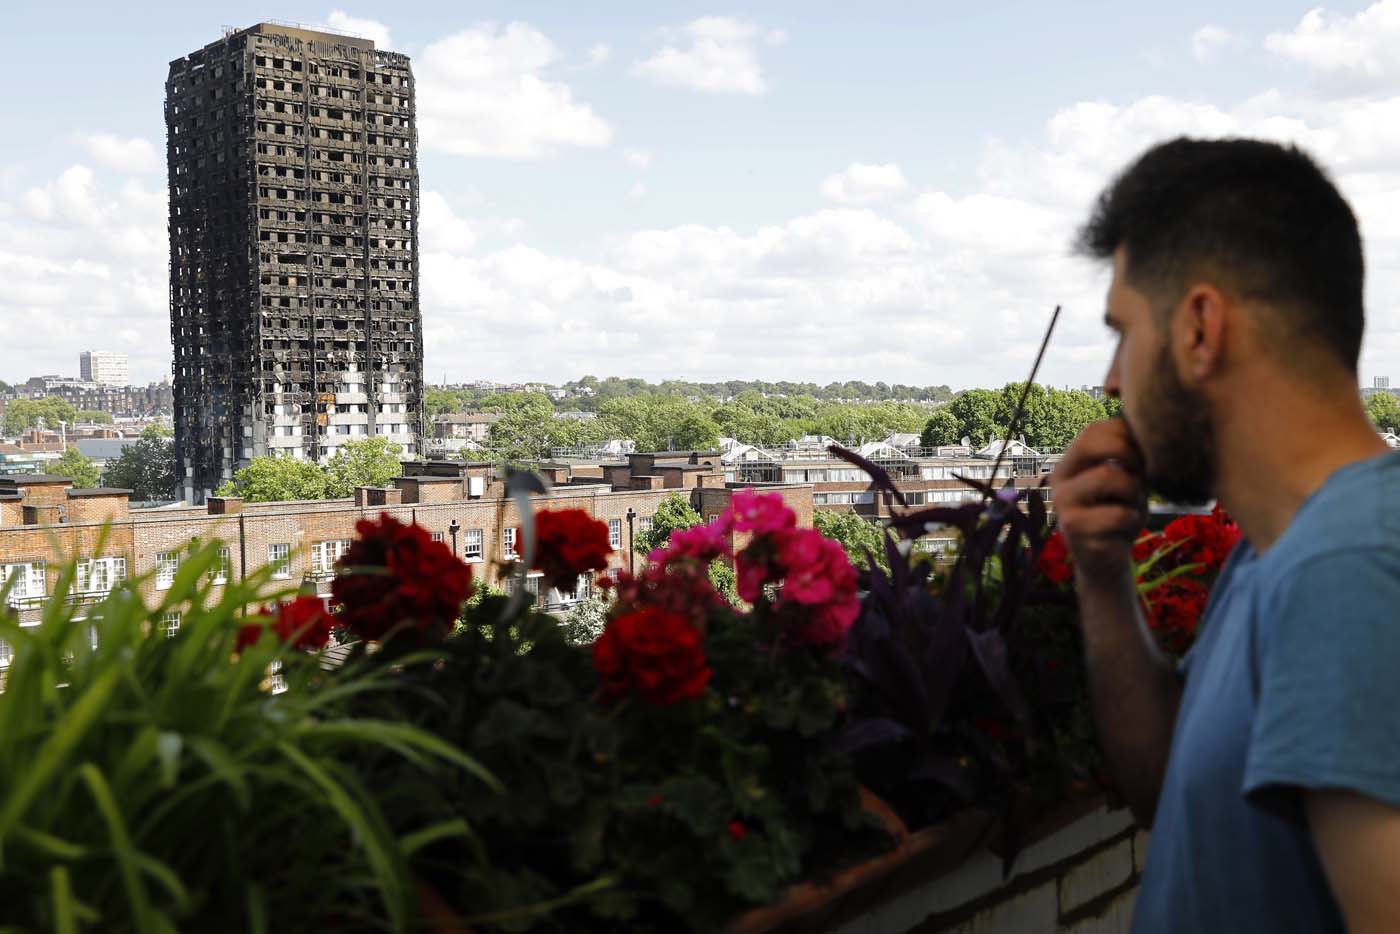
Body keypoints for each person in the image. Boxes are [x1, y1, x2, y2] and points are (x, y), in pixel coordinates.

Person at [1051, 137, 1400, 933]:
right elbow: (1175, 790)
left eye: (1124, 331)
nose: (1111, 380)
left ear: (1201, 328)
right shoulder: (1281, 548)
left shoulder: (1348, 573)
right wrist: (1102, 576)